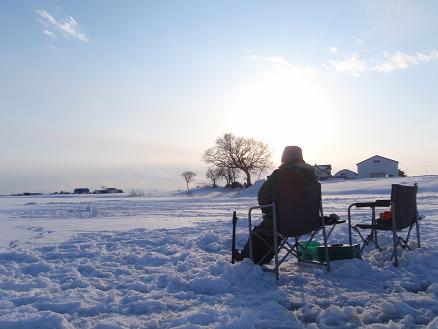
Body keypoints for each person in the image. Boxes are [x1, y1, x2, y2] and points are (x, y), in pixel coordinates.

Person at [232, 146, 317, 264]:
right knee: (273, 228)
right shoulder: (312, 175)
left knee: (261, 231)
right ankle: (261, 259)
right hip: (309, 222)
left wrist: (267, 211)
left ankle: (248, 259)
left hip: (284, 223)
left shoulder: (280, 174)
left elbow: (263, 196)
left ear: (284, 157)